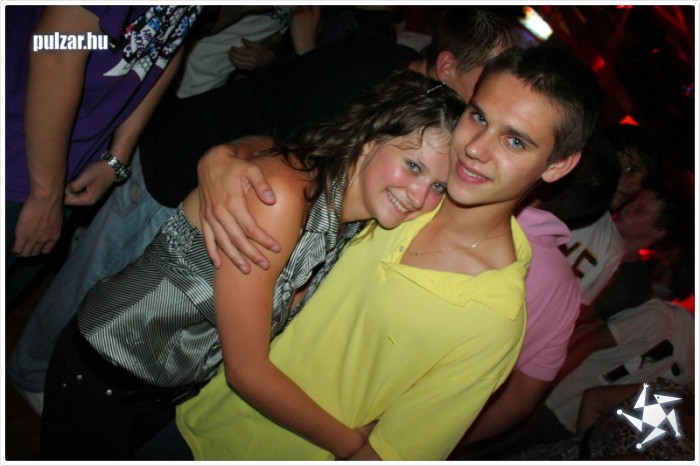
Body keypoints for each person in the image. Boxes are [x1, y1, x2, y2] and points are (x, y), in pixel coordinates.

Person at [6, 6, 522, 413]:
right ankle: (31, 380)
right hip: (176, 170)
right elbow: (57, 41)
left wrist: (231, 154)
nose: (490, 106)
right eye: (485, 86)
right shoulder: (372, 86)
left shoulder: (408, 98)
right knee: (101, 293)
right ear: (447, 66)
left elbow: (279, 125)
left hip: (216, 173)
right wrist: (221, 158)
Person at [163, 42, 600, 461]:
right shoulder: (411, 192)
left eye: (515, 141)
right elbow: (319, 154)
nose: (475, 148)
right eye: (478, 117)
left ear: (558, 164)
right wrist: (228, 154)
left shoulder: (491, 320)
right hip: (186, 405)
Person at [39, 70, 465, 460]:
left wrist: (229, 150)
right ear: (370, 140)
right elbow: (246, 372)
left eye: (439, 186)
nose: (419, 196)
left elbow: (270, 143)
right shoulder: (281, 197)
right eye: (413, 165)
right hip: (103, 374)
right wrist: (355, 447)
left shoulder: (350, 220)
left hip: (166, 391)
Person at [4, 5, 205, 309]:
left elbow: (170, 40)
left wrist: (116, 157)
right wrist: (45, 194)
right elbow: (55, 45)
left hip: (69, 165)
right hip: (20, 149)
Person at [447, 131, 619, 457]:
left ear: (550, 173)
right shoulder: (566, 292)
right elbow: (520, 401)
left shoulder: (471, 216)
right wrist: (438, 440)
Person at [559, 123, 661, 311]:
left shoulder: (611, 246)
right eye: (631, 170)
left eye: (642, 180)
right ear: (604, 154)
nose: (636, 185)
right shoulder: (547, 188)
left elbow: (574, 308)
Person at [517, 378, 694, 461]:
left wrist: (583, 447)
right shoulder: (670, 392)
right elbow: (594, 399)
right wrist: (584, 448)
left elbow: (594, 399)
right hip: (554, 454)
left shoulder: (685, 455)